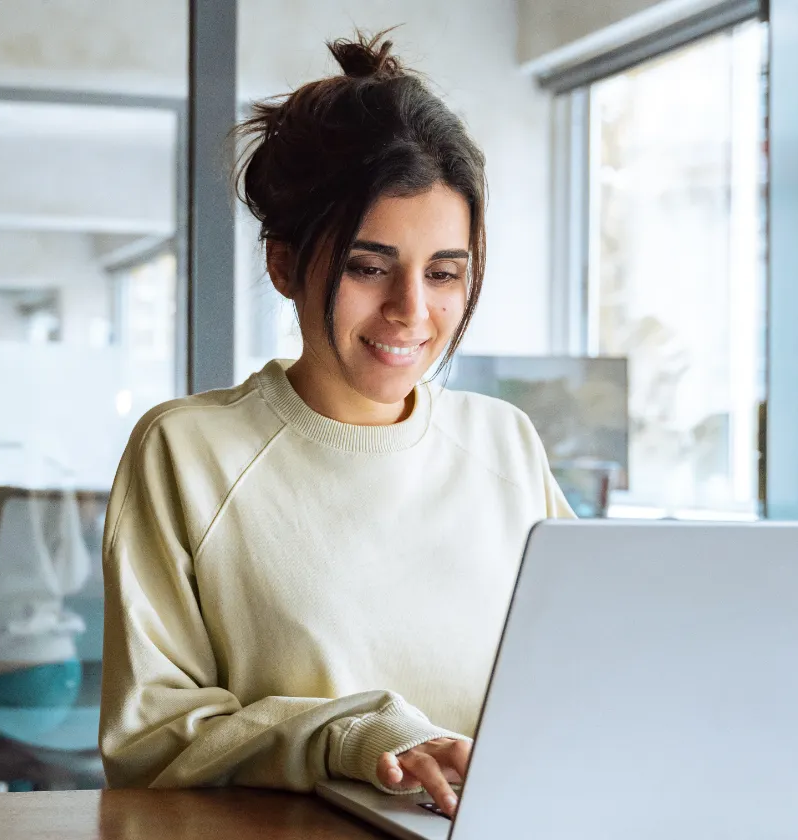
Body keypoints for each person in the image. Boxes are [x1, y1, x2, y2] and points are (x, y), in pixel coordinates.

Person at [98, 31, 573, 817]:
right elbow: (151, 744)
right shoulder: (187, 453)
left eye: (445, 273)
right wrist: (354, 736)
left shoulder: (505, 443)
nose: (411, 312)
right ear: (285, 264)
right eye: (368, 266)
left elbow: (587, 668)